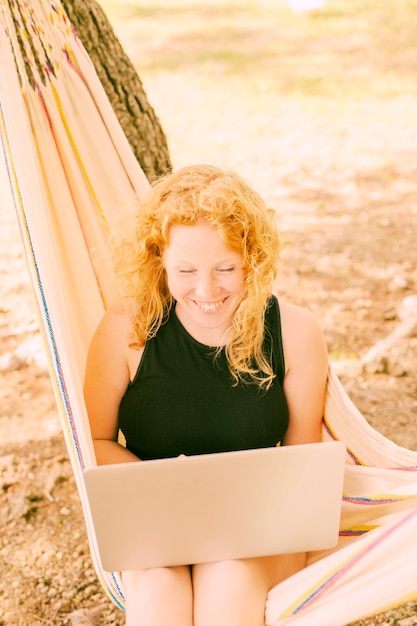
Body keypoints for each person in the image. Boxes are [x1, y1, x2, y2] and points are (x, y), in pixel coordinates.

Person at [83, 164, 329, 626]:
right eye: (186, 270)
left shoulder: (296, 333)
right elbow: (93, 444)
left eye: (225, 268)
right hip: (155, 523)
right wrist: (175, 495)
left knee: (228, 577)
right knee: (157, 589)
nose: (207, 289)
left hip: (261, 528)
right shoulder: (126, 331)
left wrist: (236, 519)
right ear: (160, 262)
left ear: (251, 260)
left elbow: (303, 464)